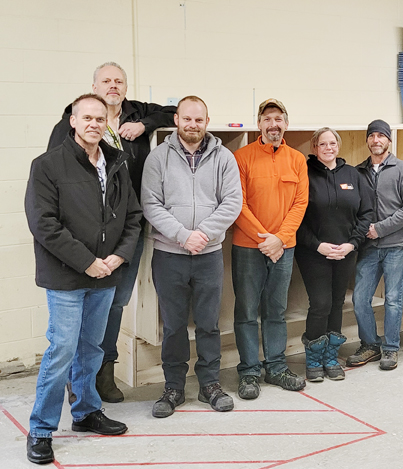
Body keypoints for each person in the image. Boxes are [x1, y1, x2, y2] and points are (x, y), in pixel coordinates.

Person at [47, 62, 176, 403]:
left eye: (119, 81)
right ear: (94, 87)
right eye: (106, 81)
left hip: (126, 231)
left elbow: (174, 113)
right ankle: (78, 378)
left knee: (115, 303)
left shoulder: (137, 113)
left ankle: (103, 372)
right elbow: (54, 179)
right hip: (84, 235)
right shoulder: (70, 123)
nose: (113, 85)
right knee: (81, 306)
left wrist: (143, 124)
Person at [25, 94, 142, 465]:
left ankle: (86, 412)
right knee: (61, 350)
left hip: (105, 274)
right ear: (73, 121)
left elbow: (133, 217)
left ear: (107, 121)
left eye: (99, 118)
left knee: (92, 348)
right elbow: (44, 224)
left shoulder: (116, 162)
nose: (93, 123)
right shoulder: (47, 165)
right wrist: (87, 261)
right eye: (85, 117)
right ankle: (41, 429)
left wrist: (118, 256)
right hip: (66, 276)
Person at [142, 96, 242, 417]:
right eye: (187, 119)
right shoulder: (158, 157)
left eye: (199, 120)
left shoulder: (224, 157)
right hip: (169, 256)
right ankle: (173, 387)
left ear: (206, 121)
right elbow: (151, 204)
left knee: (209, 324)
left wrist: (203, 235)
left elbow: (232, 202)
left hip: (209, 255)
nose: (193, 125)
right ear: (177, 120)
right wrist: (184, 236)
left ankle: (210, 384)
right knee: (172, 326)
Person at [232, 98, 309, 399]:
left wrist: (280, 238)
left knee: (276, 311)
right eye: (267, 119)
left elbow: (300, 203)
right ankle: (249, 372)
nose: (273, 124)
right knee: (247, 311)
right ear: (259, 124)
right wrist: (266, 239)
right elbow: (238, 204)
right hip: (249, 248)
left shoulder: (297, 159)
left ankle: (276, 366)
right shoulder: (242, 157)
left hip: (284, 248)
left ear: (286, 124)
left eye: (279, 119)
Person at [295, 128, 373, 381]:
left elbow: (366, 213)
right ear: (314, 148)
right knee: (320, 304)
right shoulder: (304, 174)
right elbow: (296, 218)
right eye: (322, 144)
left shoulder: (353, 175)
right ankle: (314, 359)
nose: (328, 148)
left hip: (346, 252)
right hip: (313, 252)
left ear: (338, 146)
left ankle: (330, 357)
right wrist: (318, 245)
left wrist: (352, 244)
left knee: (338, 303)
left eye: (332, 143)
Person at [347, 119, 403, 371]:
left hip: (396, 244)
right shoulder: (358, 172)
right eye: (372, 136)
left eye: (381, 136)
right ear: (367, 140)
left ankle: (391, 348)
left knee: (392, 299)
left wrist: (381, 228)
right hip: (368, 247)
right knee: (360, 298)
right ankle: (370, 344)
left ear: (389, 140)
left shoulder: (402, 170)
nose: (376, 140)